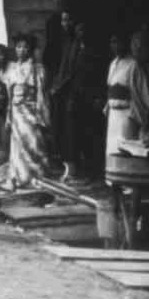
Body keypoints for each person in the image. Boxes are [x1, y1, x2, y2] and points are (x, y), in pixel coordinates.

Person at [0, 32, 51, 190]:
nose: (21, 50)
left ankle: (35, 175)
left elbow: (41, 94)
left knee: (33, 142)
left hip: (30, 110)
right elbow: (9, 93)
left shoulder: (37, 68)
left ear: (30, 49)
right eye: (18, 47)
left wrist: (41, 114)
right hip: (16, 111)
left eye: (25, 47)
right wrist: (9, 115)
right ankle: (19, 175)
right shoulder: (12, 68)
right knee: (17, 145)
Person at [104, 30, 149, 170]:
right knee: (112, 149)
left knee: (125, 148)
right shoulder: (113, 64)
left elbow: (143, 91)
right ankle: (113, 176)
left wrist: (147, 114)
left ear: (124, 44)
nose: (114, 45)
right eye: (112, 42)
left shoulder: (133, 65)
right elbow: (110, 87)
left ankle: (126, 177)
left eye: (117, 42)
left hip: (126, 114)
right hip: (114, 114)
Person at [48, 10, 93, 178]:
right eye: (63, 21)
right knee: (65, 130)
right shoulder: (68, 43)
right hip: (66, 94)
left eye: (67, 20)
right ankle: (69, 166)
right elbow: (63, 70)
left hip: (77, 93)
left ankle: (78, 168)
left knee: (75, 131)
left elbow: (77, 73)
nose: (65, 24)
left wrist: (63, 88)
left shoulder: (82, 46)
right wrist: (56, 87)